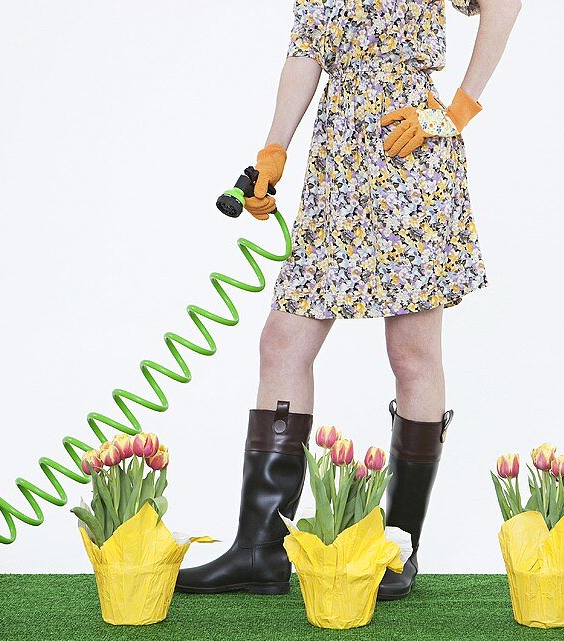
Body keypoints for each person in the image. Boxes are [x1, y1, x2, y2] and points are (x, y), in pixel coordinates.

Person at [175, 0, 522, 599]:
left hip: (409, 151)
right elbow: (306, 51)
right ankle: (260, 550)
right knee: (283, 341)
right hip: (338, 158)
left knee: (411, 350)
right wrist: (272, 151)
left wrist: (459, 108)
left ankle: (398, 549)